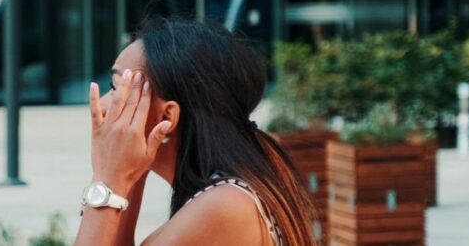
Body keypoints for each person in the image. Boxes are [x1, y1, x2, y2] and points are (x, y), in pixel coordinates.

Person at [74, 19, 316, 245]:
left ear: (167, 118)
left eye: (118, 89)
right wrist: (124, 177)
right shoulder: (234, 187)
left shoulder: (223, 206)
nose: (102, 105)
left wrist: (108, 180)